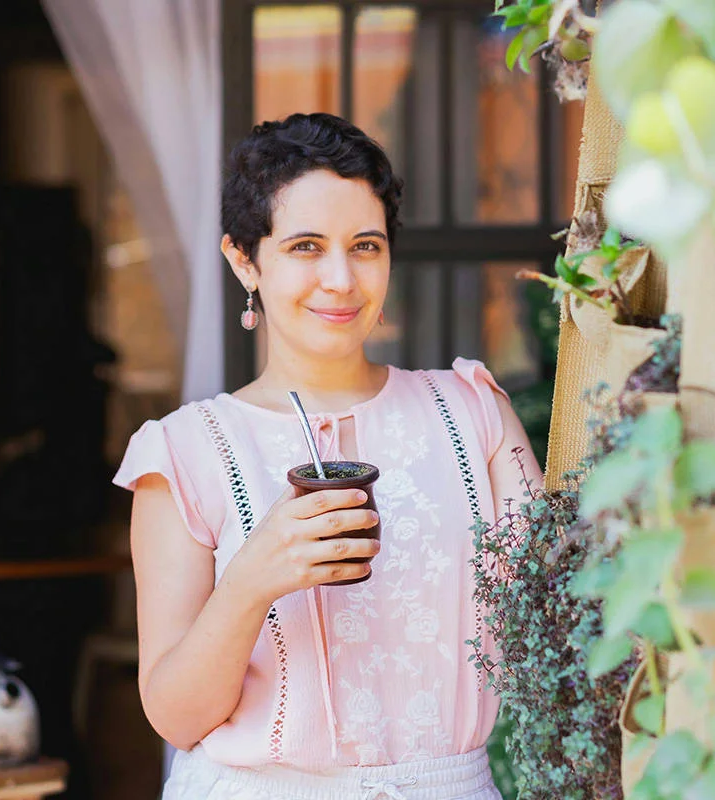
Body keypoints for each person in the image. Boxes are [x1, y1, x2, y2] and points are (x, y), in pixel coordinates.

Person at [114, 112, 543, 800]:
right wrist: (250, 582)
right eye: (306, 247)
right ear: (244, 260)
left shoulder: (473, 412)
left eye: (365, 246)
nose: (341, 279)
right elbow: (176, 718)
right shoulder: (185, 451)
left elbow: (557, 611)